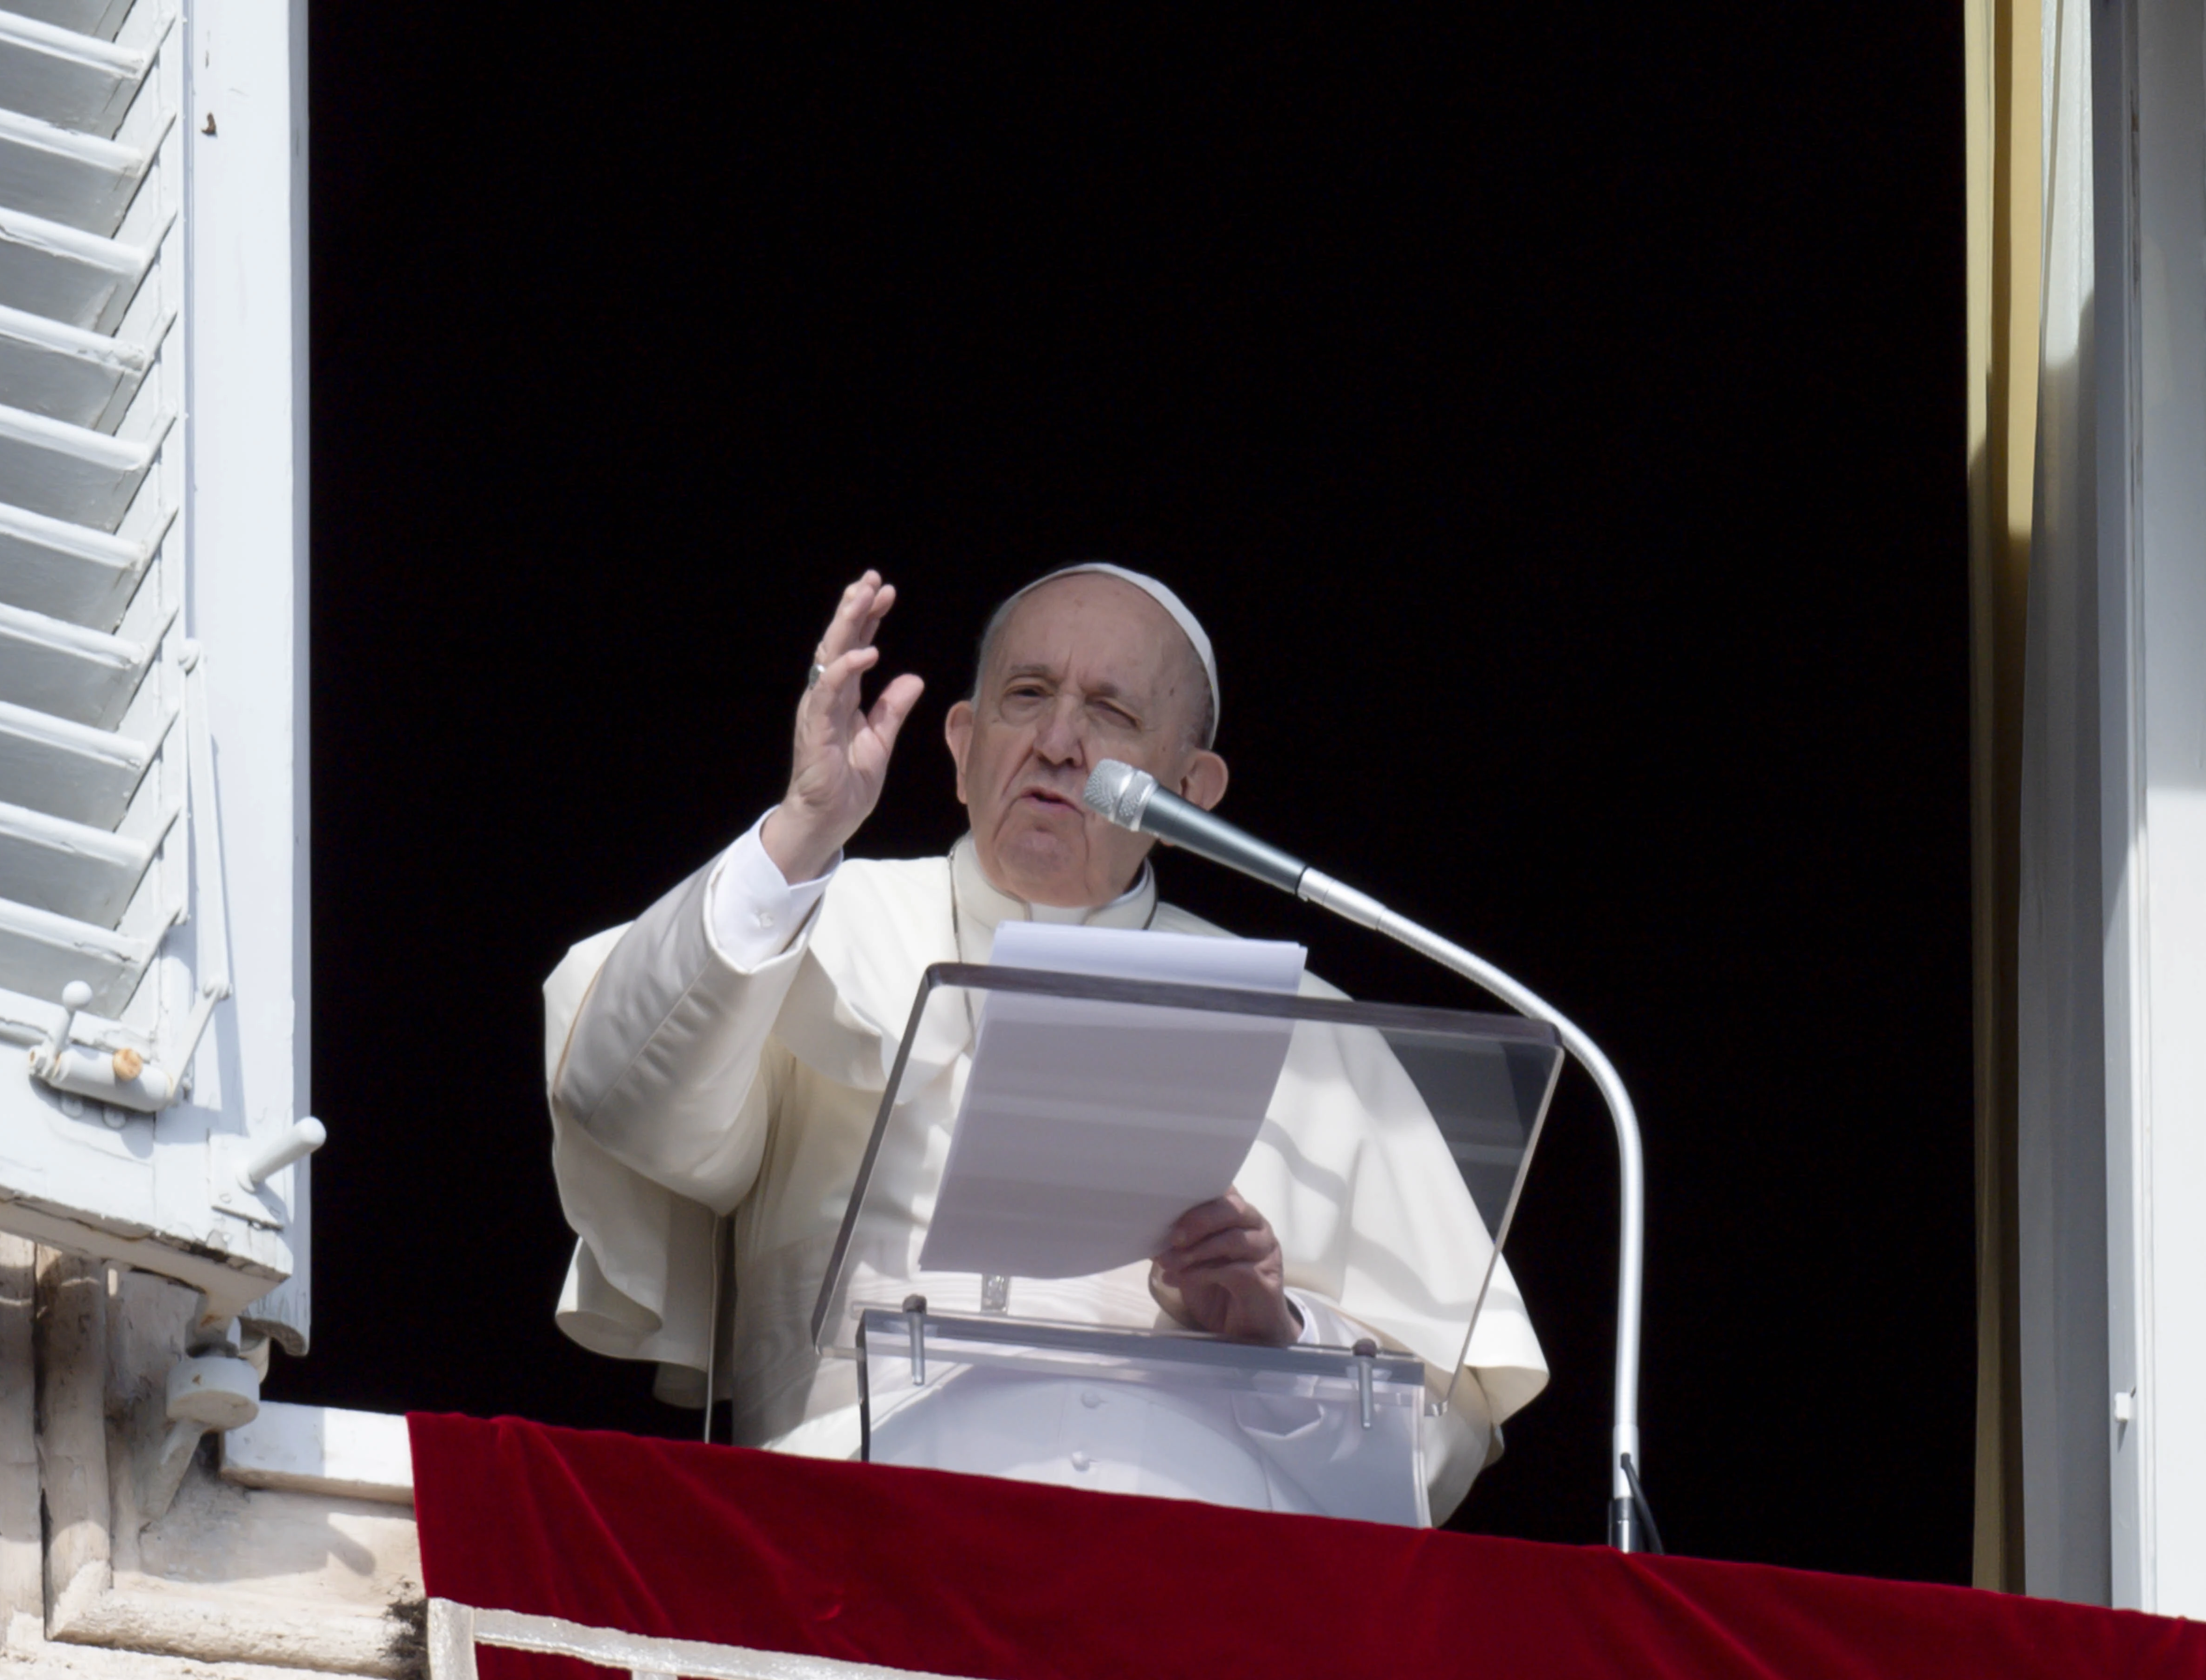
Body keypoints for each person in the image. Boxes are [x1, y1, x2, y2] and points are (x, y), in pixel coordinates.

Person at [542, 565, 1546, 1521]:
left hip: (1193, 1600)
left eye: (1111, 712)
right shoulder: (807, 915)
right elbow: (625, 1104)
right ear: (964, 744)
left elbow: (1436, 1440)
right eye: (1028, 695)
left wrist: (1273, 1337)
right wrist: (805, 827)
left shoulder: (1311, 1027)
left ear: (1194, 789)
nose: (1062, 742)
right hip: (848, 1558)